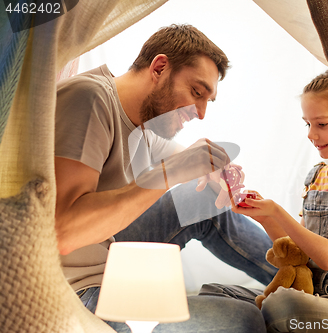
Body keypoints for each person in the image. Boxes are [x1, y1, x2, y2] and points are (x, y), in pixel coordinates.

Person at [55, 24, 276, 332]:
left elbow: (192, 161)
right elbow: (63, 233)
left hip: (111, 260)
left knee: (204, 198)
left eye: (207, 101)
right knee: (244, 319)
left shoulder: (143, 126)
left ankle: (307, 278)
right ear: (159, 67)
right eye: (196, 93)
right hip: (72, 285)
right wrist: (171, 172)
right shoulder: (89, 99)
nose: (200, 113)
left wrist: (215, 168)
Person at [203, 70, 328, 332]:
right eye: (307, 124)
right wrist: (264, 217)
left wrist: (277, 211)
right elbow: (298, 254)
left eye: (321, 124)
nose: (310, 134)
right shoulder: (317, 174)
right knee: (213, 293)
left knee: (283, 306)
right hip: (306, 289)